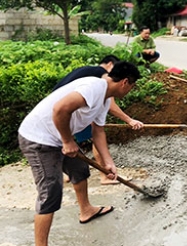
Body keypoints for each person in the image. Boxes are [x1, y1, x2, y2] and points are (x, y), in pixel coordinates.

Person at [18, 61, 141, 246]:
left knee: (80, 170)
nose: (131, 90)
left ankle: (86, 210)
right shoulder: (94, 87)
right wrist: (68, 141)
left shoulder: (105, 99)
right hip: (39, 139)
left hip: (57, 137)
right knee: (50, 192)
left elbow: (98, 131)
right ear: (125, 82)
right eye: (132, 86)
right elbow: (60, 109)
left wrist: (108, 162)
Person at [54, 55, 144, 185]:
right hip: (63, 112)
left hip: (69, 110)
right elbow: (110, 104)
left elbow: (100, 125)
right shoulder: (100, 77)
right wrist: (129, 120)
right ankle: (104, 176)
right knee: (80, 137)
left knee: (86, 140)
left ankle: (70, 173)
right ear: (110, 64)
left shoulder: (91, 72)